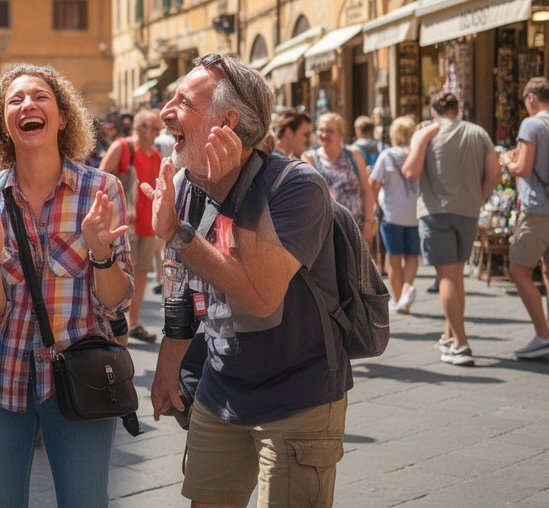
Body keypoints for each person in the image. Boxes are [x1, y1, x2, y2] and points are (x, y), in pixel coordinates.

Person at [143, 54, 351, 508]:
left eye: (182, 102)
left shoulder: (298, 187)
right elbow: (183, 288)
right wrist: (166, 367)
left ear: (227, 121)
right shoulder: (187, 185)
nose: (165, 112)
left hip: (297, 395)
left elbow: (259, 297)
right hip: (220, 391)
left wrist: (186, 227)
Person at [0, 64, 133, 508]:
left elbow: (117, 302)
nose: (27, 105)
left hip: (81, 378)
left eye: (40, 97)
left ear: (62, 117)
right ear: (3, 124)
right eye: (14, 100)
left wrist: (101, 254)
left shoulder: (102, 190)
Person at [402, 91, 501, 367]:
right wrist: (478, 198)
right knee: (456, 276)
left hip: (436, 212)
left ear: (433, 111)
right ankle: (450, 335)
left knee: (447, 278)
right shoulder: (478, 133)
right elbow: (495, 174)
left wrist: (421, 138)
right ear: (458, 109)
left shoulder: (426, 133)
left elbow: (410, 173)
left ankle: (461, 344)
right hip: (467, 212)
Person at [499, 77, 549, 360]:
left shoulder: (531, 124)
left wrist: (507, 161)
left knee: (518, 270)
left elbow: (523, 167)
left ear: (531, 98)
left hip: (539, 210)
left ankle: (544, 336)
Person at [100, 109, 165, 343]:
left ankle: (133, 324)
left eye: (159, 128)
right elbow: (99, 181)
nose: (159, 133)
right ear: (140, 128)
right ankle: (110, 327)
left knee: (139, 277)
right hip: (122, 225)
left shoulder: (156, 154)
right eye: (155, 128)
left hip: (147, 226)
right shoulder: (122, 147)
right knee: (115, 275)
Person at [370, 116, 421, 314]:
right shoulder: (419, 154)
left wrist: (375, 205)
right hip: (415, 214)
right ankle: (407, 289)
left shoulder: (387, 155)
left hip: (392, 213)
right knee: (412, 256)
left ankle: (399, 299)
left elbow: (374, 182)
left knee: (394, 257)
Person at [304, 113, 377, 244]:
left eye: (330, 131)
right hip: (327, 231)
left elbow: (366, 190)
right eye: (321, 130)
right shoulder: (310, 158)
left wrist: (368, 221)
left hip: (356, 227)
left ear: (341, 134)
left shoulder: (354, 155)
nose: (324, 135)